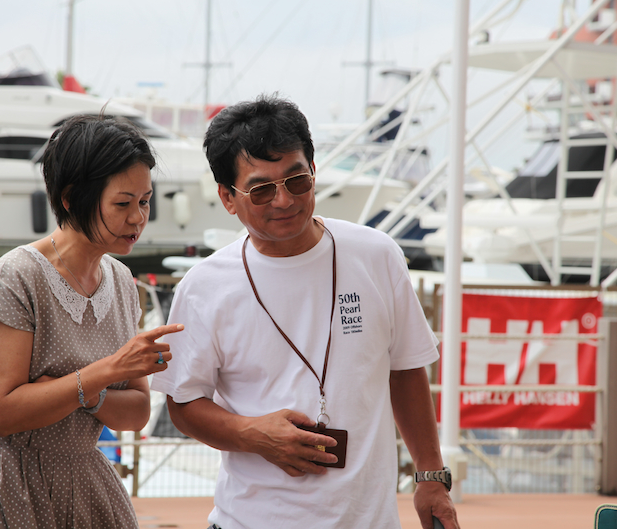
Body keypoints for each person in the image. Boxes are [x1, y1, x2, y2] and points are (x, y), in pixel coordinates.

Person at [151, 95, 459, 529]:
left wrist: (431, 478)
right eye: (261, 189)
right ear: (227, 197)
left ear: (313, 171)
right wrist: (253, 434)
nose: (283, 200)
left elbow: (406, 370)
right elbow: (183, 403)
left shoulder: (377, 255)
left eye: (297, 181)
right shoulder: (203, 287)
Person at [0, 115, 183, 528]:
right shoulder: (16, 276)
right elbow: (2, 412)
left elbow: (136, 413)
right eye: (123, 203)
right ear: (71, 198)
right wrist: (105, 374)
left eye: (145, 201)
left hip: (82, 479)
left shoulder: (120, 281)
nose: (138, 217)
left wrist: (80, 393)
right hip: (5, 482)